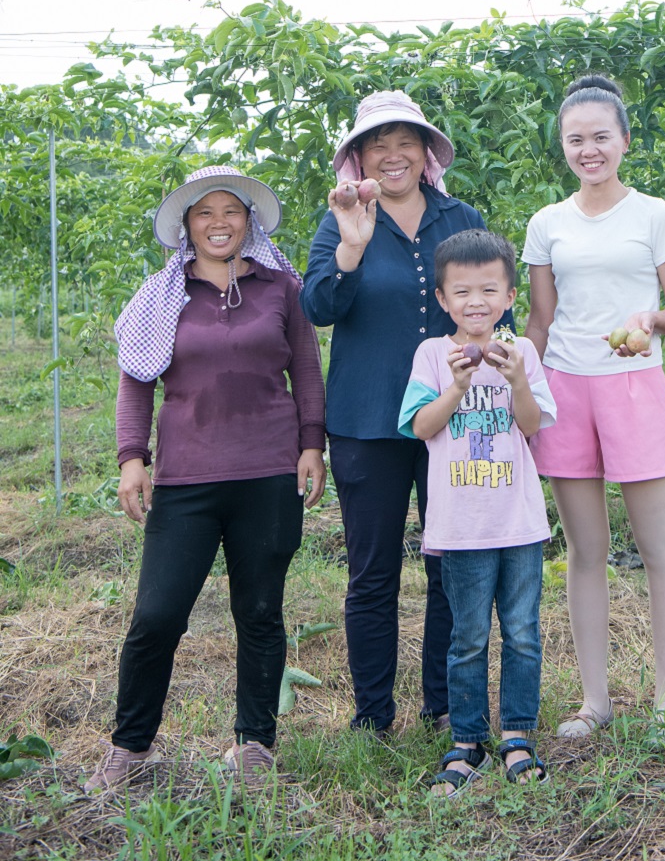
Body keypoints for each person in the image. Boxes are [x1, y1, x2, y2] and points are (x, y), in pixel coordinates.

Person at [84, 166, 326, 794]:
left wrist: (311, 445)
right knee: (158, 615)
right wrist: (131, 457)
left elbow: (306, 368)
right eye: (204, 213)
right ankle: (129, 747)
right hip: (187, 478)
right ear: (186, 227)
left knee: (260, 610)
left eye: (231, 212)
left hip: (270, 471)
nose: (219, 223)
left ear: (249, 222)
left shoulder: (281, 287)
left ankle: (255, 744)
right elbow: (136, 379)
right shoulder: (162, 294)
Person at [301, 91, 513, 736]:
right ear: (359, 158)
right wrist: (351, 250)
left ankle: (443, 702)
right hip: (368, 419)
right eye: (377, 145)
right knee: (372, 572)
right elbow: (316, 307)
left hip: (453, 416)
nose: (392, 156)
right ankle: (373, 712)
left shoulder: (459, 217)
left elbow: (492, 303)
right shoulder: (342, 219)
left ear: (426, 154)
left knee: (450, 560)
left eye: (405, 143)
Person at [523, 74, 665, 737]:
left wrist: (651, 320)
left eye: (601, 136)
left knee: (660, 547)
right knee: (585, 548)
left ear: (624, 140)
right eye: (576, 138)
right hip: (567, 387)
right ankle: (594, 701)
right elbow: (541, 320)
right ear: (562, 146)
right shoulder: (547, 224)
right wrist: (519, 375)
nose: (589, 148)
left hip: (633, 385)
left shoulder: (654, 215)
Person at [398, 229, 556, 795]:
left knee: (521, 632)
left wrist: (514, 379)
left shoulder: (523, 353)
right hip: (461, 525)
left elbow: (534, 425)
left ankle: (517, 734)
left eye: (489, 289)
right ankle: (466, 741)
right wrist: (457, 387)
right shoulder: (431, 355)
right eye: (462, 291)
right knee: (466, 636)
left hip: (517, 522)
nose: (476, 302)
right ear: (443, 300)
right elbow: (420, 427)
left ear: (510, 296)